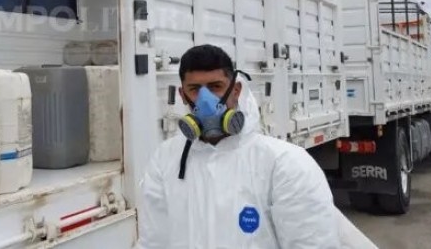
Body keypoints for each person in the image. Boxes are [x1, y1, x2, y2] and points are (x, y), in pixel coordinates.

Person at [135, 44, 341, 248]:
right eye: (195, 89)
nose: (206, 101)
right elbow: (154, 242)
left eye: (216, 87)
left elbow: (313, 243)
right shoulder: (165, 160)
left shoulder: (284, 163)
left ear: (235, 90)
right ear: (182, 95)